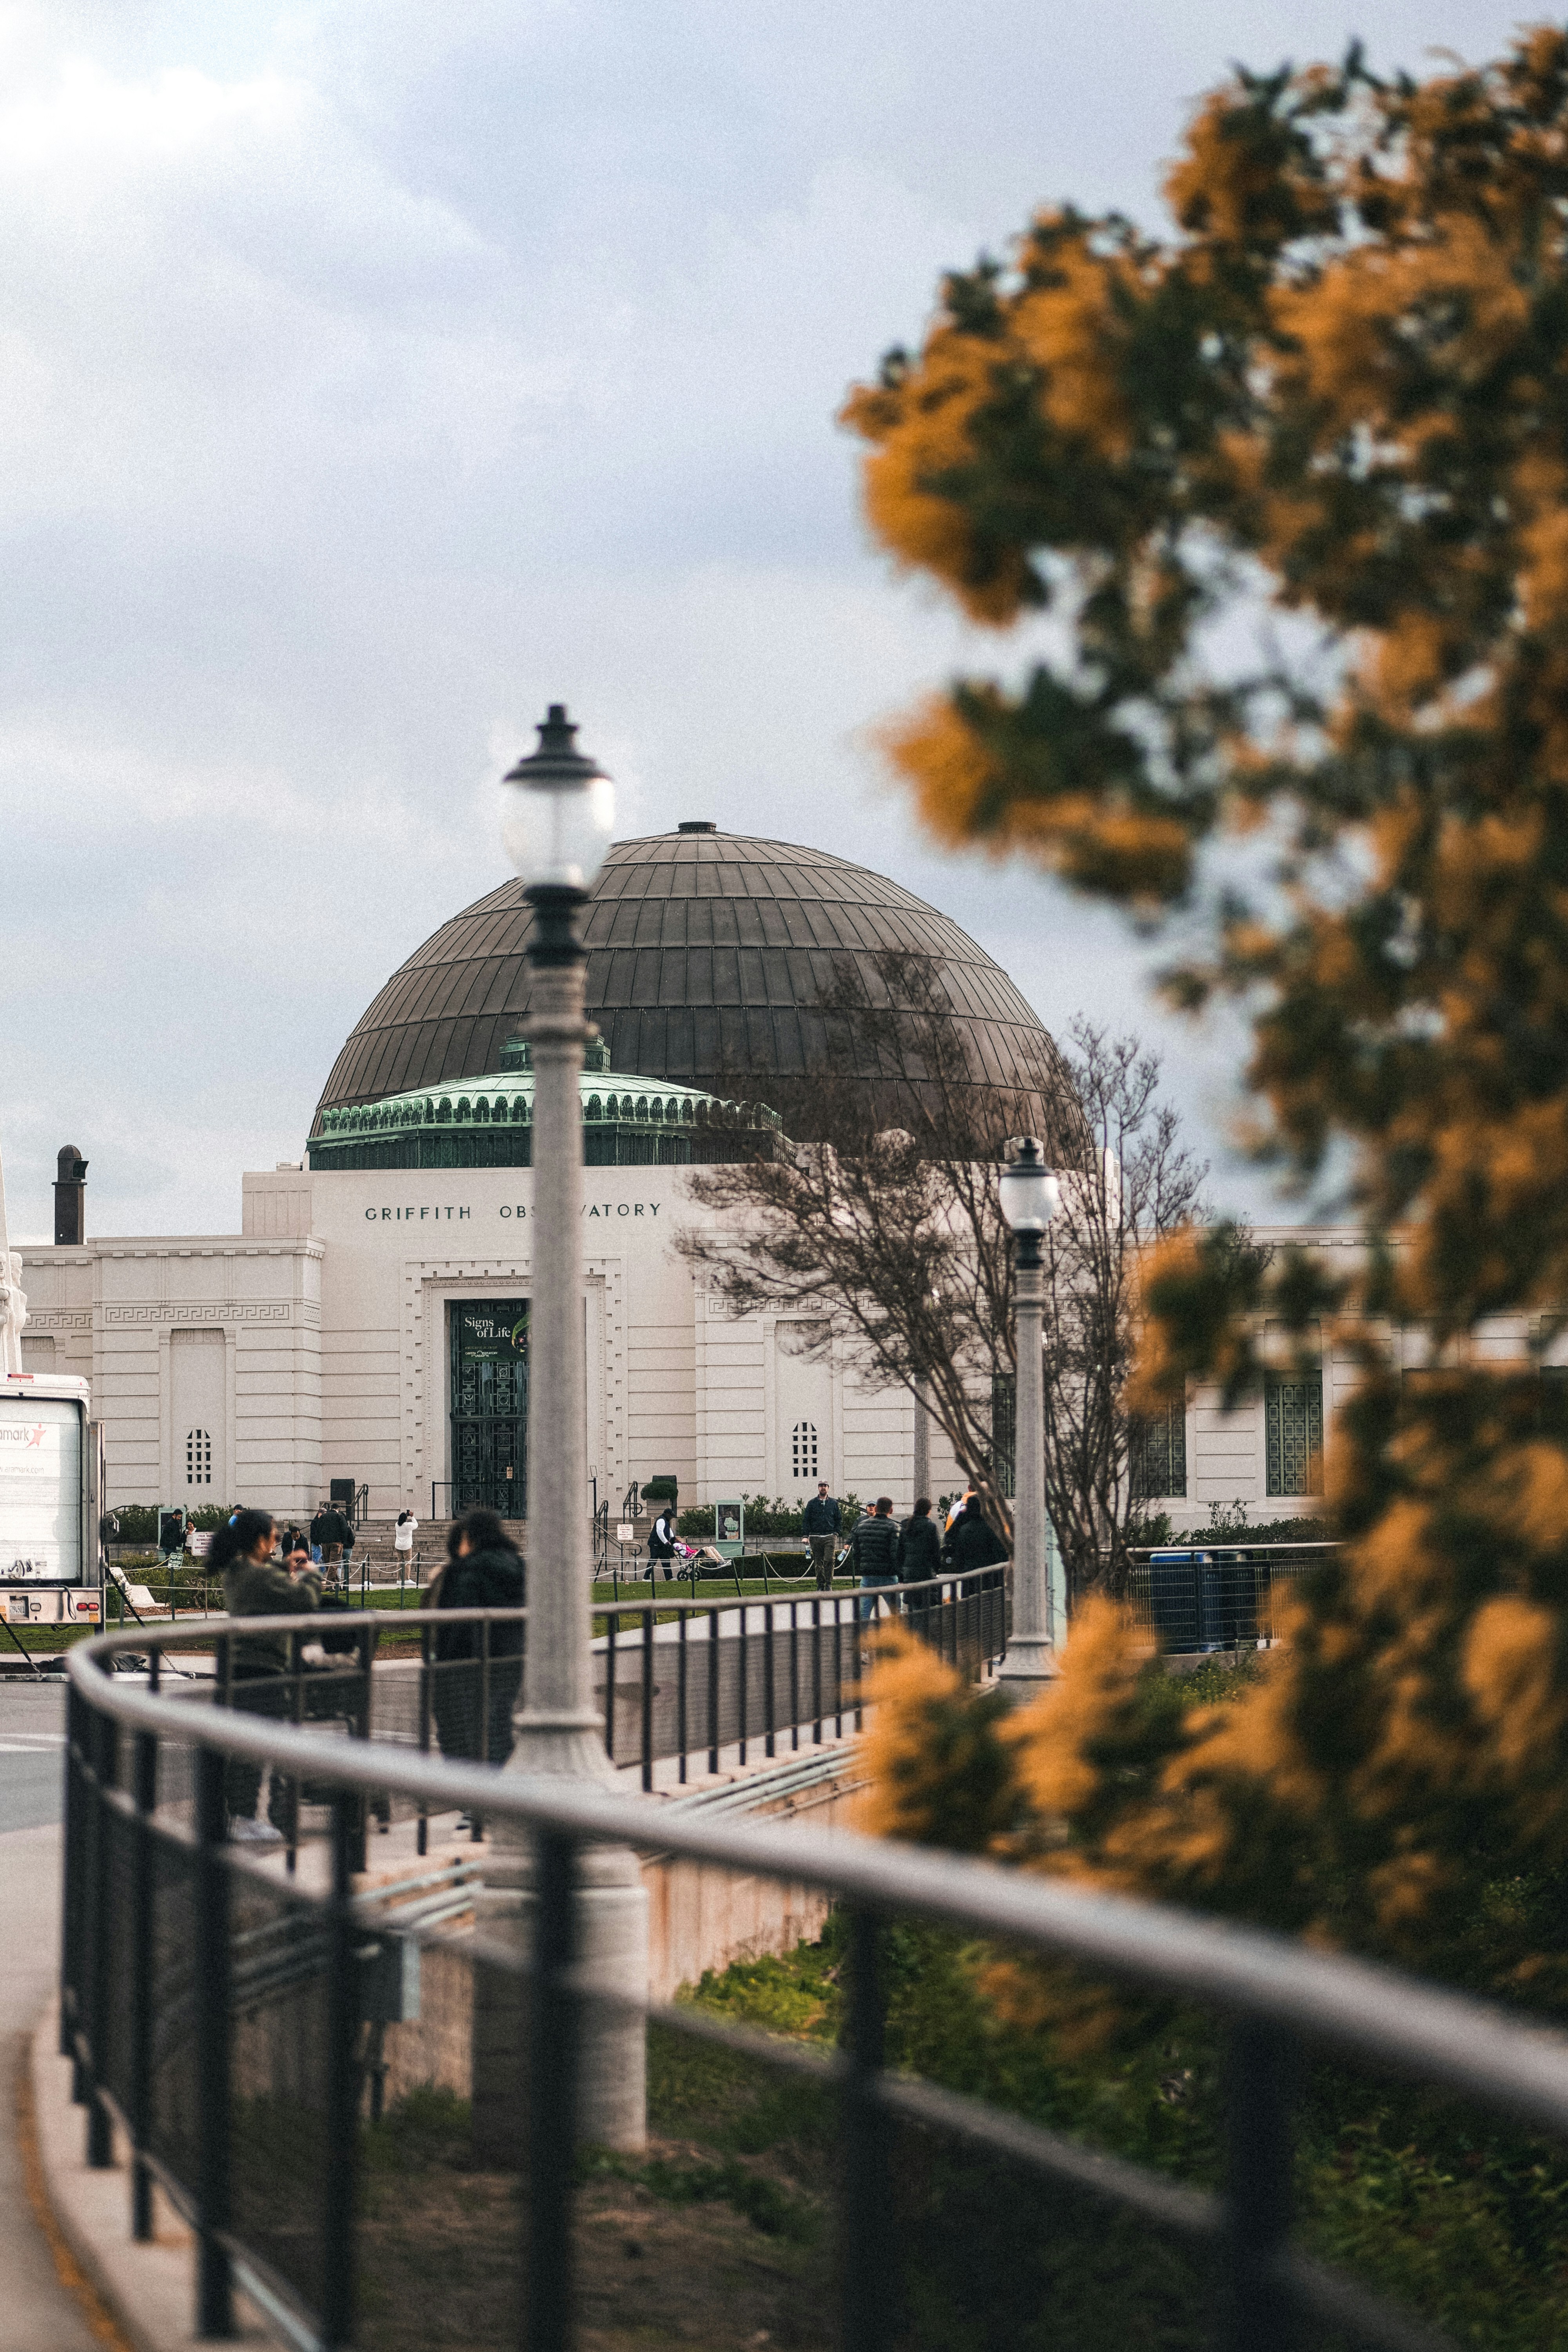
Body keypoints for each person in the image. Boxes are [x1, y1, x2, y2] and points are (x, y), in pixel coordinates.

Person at [214, 1508, 321, 1843]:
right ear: (261, 1540)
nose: (276, 1541)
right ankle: (246, 1818)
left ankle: (241, 1816)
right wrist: (312, 1575)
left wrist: (285, 1566)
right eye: (274, 1535)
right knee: (258, 1748)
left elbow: (266, 1579)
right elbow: (304, 1600)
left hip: (243, 1667)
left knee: (250, 1746)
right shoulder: (257, 1577)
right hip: (262, 1668)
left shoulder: (238, 1570)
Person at [432, 1510, 526, 1816]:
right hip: (510, 1657)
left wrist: (444, 1659)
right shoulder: (517, 1565)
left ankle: (479, 1805)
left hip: (468, 1662)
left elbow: (458, 1620)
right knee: (497, 1726)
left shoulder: (467, 1570)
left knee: (466, 1731)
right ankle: (498, 1800)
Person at [850, 1495, 900, 1624]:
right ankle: (897, 1635)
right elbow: (895, 1554)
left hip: (868, 1575)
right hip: (888, 1575)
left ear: (876, 1509)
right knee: (896, 1612)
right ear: (891, 1511)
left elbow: (856, 1553)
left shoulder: (862, 1526)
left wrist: (862, 1567)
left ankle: (862, 1636)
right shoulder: (893, 1527)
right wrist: (898, 1573)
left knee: (864, 1614)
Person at [942, 1493, 1009, 1579]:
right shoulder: (991, 1527)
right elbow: (999, 1551)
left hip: (969, 1571)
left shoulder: (964, 1527)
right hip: (989, 1572)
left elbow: (952, 1541)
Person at [897, 1497, 942, 1623]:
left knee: (913, 1610)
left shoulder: (906, 1527)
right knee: (927, 1612)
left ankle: (914, 1633)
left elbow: (900, 1553)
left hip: (910, 1575)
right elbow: (936, 1552)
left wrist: (902, 1575)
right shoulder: (931, 1527)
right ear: (929, 1511)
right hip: (926, 1574)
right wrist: (936, 1570)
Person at [803, 1483, 841, 1589]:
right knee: (818, 1562)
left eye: (825, 1486)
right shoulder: (812, 1503)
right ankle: (820, 1585)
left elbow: (839, 1519)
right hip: (815, 1537)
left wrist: (836, 1533)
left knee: (829, 1560)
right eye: (821, 1486)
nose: (823, 1488)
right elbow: (806, 1520)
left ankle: (829, 1585)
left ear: (828, 1488)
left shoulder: (833, 1503)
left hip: (830, 1536)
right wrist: (805, 1535)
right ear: (819, 1488)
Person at [309, 1500, 352, 1583]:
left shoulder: (324, 1517)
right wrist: (343, 1542)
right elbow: (345, 1530)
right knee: (334, 1563)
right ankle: (329, 1583)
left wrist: (320, 1541)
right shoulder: (340, 1516)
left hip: (325, 1543)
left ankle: (336, 1583)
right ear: (338, 1509)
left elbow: (319, 1529)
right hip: (337, 1543)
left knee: (329, 1563)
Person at [648, 1503, 677, 1583]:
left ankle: (669, 1577)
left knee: (666, 1561)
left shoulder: (667, 1521)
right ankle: (646, 1577)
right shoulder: (661, 1520)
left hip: (662, 1546)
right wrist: (666, 1542)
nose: (671, 1518)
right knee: (653, 1560)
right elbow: (660, 1532)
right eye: (671, 1516)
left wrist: (674, 1539)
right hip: (655, 1544)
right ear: (667, 1514)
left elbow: (669, 1531)